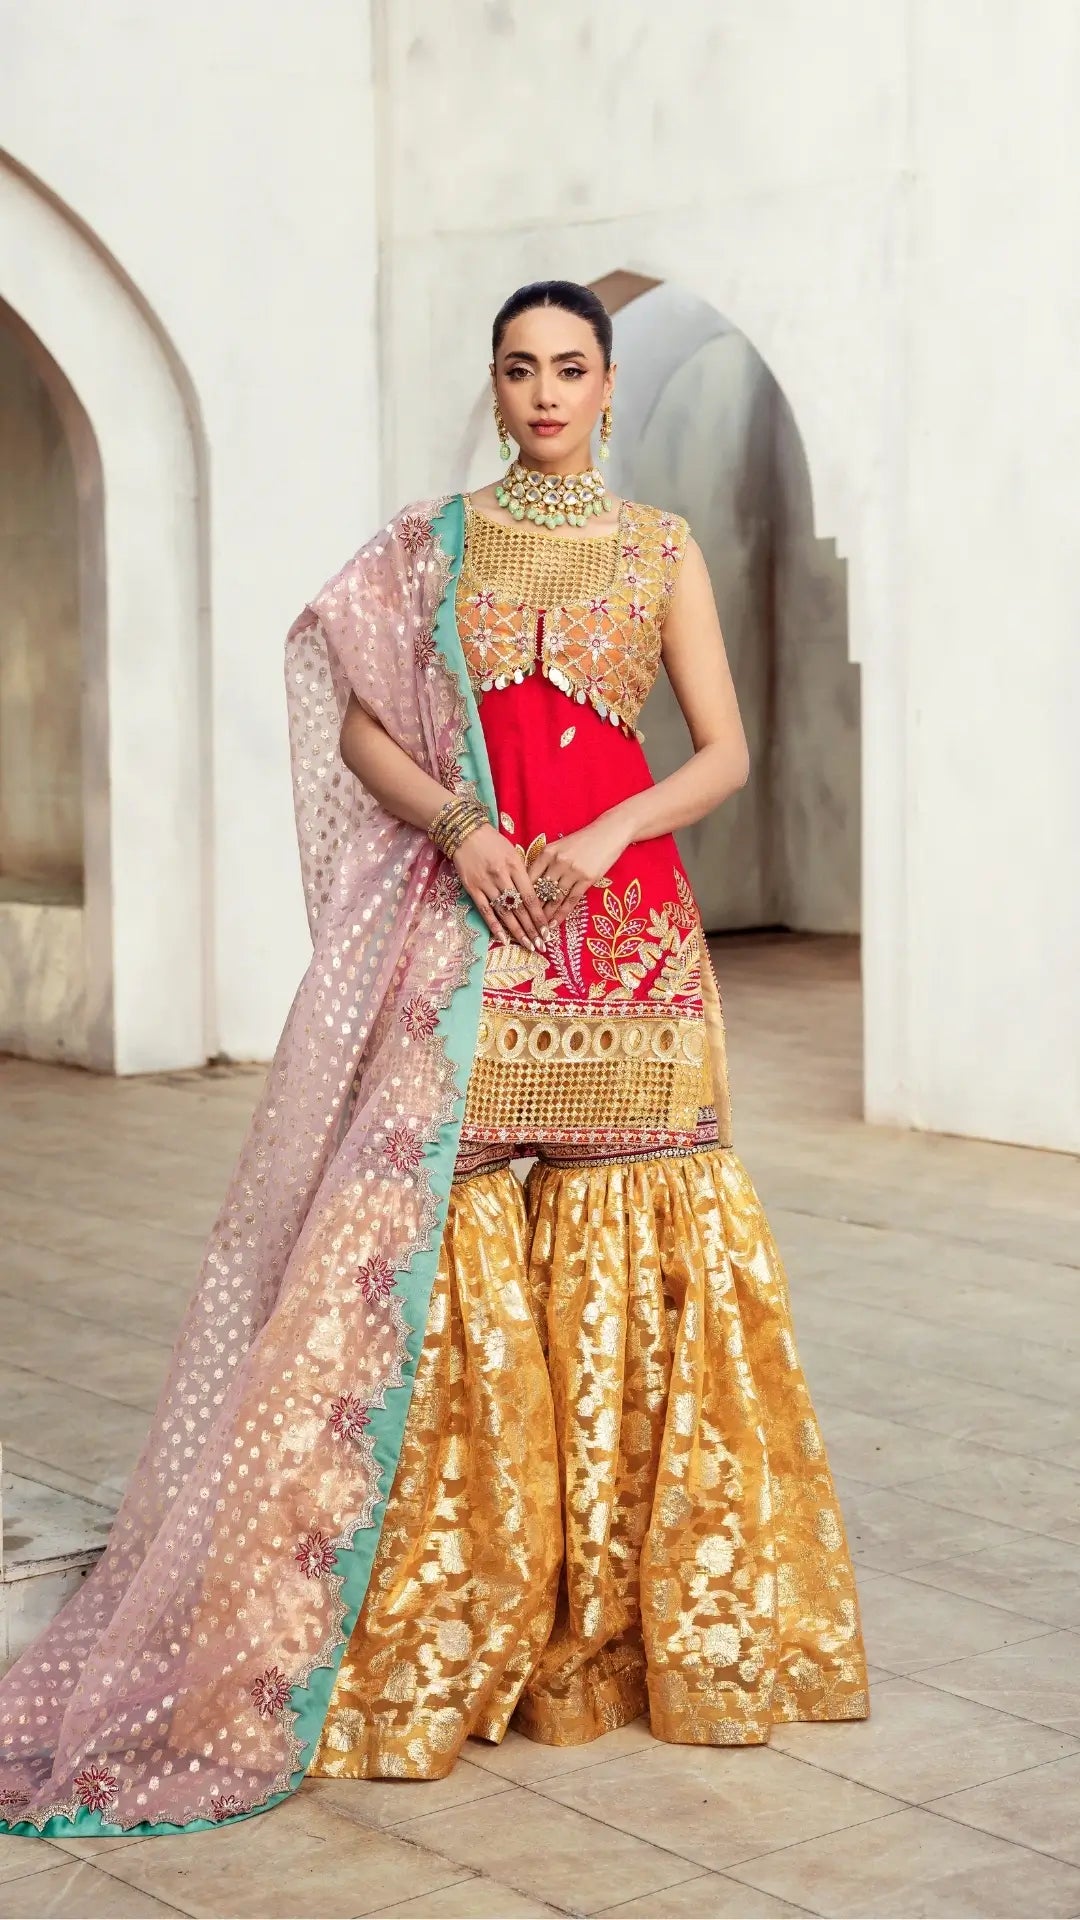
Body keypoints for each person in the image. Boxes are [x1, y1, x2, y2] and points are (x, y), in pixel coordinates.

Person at [0, 279, 867, 1840]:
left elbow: (725, 751)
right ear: (495, 386)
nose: (547, 394)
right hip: (474, 935)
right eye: (521, 370)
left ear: (610, 385)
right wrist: (463, 827)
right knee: (437, 1256)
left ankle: (620, 1636)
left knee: (643, 1246)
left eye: (573, 369)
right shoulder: (431, 549)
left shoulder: (660, 549)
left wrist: (604, 830)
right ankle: (445, 1629)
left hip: (631, 943)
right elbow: (353, 719)